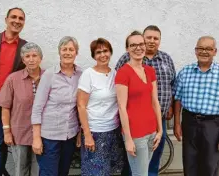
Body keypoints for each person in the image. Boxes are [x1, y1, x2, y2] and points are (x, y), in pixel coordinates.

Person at [115, 25, 176, 176]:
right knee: (139, 173)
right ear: (127, 49)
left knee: (146, 170)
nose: (138, 48)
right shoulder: (123, 73)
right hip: (136, 133)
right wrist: (128, 139)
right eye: (133, 45)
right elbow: (122, 107)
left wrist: (160, 130)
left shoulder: (150, 71)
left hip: (152, 130)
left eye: (140, 44)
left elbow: (155, 101)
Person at [31, 36, 82, 176]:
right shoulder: (49, 75)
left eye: (71, 49)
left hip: (69, 135)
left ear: (76, 53)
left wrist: (80, 131)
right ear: (59, 52)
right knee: (49, 173)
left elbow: (81, 106)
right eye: (64, 49)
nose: (67, 52)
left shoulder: (81, 75)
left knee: (63, 172)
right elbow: (37, 108)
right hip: (49, 137)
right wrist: (36, 138)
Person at [0, 7, 27, 176]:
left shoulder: (25, 48)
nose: (17, 21)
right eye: (14, 17)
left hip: (6, 105)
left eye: (21, 18)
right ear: (6, 19)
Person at [0, 42, 43, 176]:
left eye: (35, 55)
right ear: (23, 60)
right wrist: (7, 132)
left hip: (42, 134)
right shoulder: (13, 79)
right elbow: (5, 107)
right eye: (27, 56)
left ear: (40, 58)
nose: (31, 59)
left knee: (38, 171)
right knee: (19, 171)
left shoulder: (48, 77)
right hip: (19, 134)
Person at [77, 38, 123, 176]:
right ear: (93, 56)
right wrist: (87, 135)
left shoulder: (115, 74)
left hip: (113, 131)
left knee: (110, 171)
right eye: (98, 52)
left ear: (110, 52)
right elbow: (81, 105)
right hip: (95, 132)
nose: (103, 55)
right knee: (95, 172)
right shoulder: (88, 75)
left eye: (106, 51)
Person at [174, 36, 219, 176]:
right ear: (195, 51)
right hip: (189, 122)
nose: (204, 52)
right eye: (200, 48)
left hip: (213, 124)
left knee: (210, 165)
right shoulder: (185, 72)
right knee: (189, 162)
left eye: (208, 49)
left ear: (215, 51)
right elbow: (177, 99)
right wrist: (176, 124)